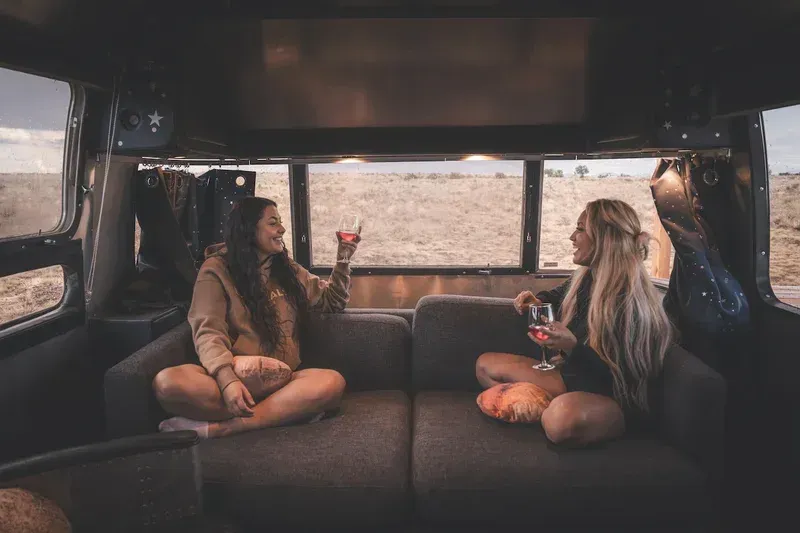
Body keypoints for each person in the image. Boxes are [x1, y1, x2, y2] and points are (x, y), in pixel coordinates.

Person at [153, 196, 358, 439]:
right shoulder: (216, 270)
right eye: (273, 223)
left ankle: (224, 428)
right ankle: (283, 413)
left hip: (284, 383)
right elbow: (209, 331)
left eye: (280, 222)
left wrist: (343, 258)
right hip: (236, 379)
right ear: (249, 228)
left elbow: (331, 301)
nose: (281, 229)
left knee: (331, 382)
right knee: (168, 383)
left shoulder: (287, 269)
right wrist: (228, 381)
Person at [476, 199, 674, 446]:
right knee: (484, 366)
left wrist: (572, 347)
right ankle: (545, 409)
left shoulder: (631, 300)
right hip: (571, 377)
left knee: (560, 420)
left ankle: (560, 413)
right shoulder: (587, 276)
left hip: (611, 396)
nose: (572, 236)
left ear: (604, 238)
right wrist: (538, 301)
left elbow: (620, 376)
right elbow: (557, 297)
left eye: (580, 229)